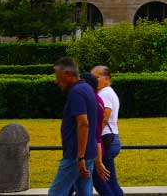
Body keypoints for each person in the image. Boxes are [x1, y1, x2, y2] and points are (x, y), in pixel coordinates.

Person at [50, 57, 98, 196]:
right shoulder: (86, 88)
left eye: (58, 77)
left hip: (75, 155)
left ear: (68, 75)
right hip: (88, 151)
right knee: (84, 191)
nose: (56, 81)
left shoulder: (76, 92)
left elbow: (83, 123)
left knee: (56, 193)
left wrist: (80, 157)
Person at [91, 65, 124, 196]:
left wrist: (95, 136)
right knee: (107, 180)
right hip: (110, 139)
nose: (93, 81)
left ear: (106, 78)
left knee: (102, 179)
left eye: (96, 77)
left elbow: (105, 116)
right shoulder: (106, 92)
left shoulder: (105, 93)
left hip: (106, 141)